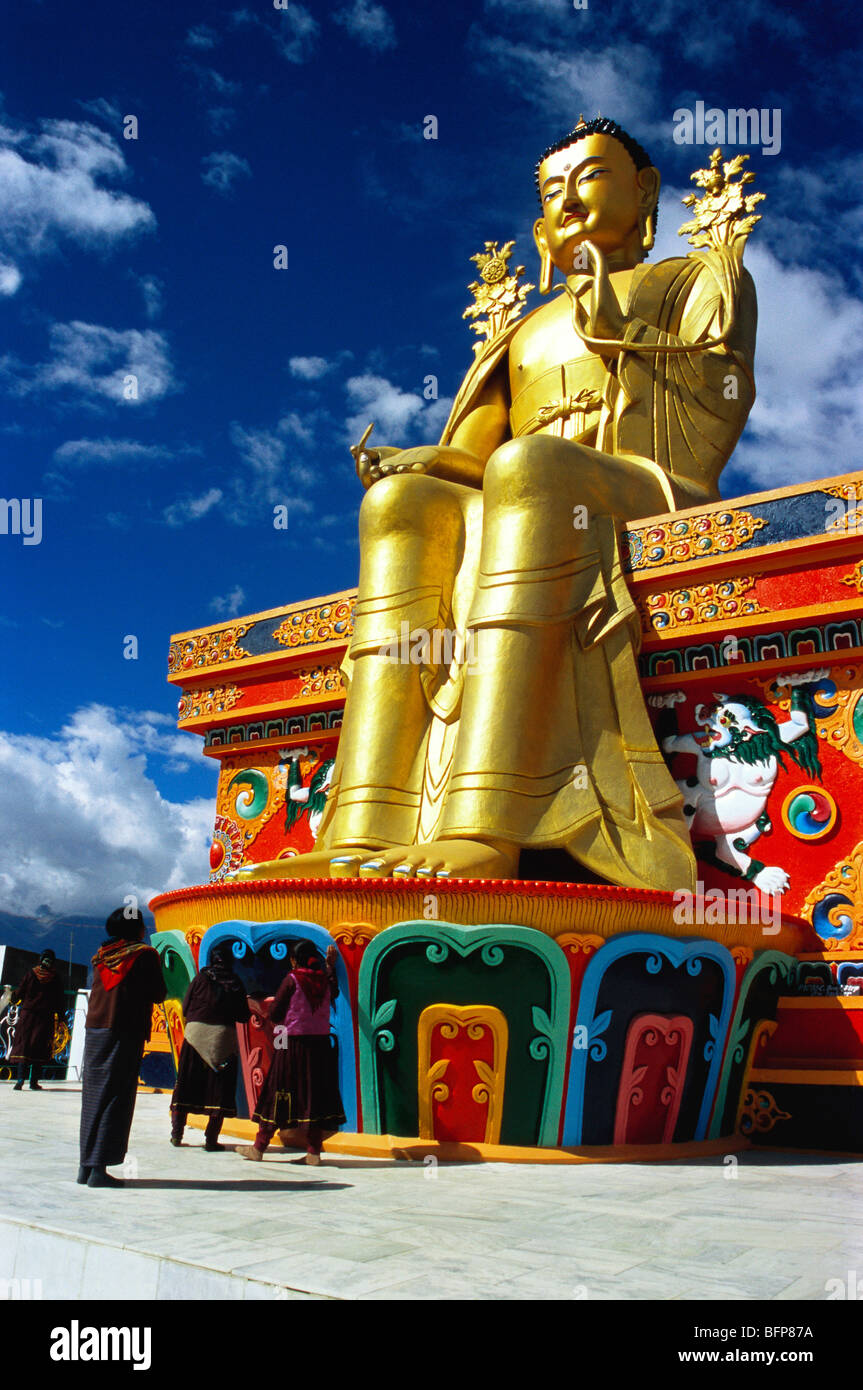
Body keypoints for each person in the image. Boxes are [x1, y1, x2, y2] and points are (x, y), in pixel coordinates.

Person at [237, 116, 758, 894]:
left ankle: (486, 822)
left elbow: (716, 398)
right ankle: (364, 821)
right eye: (551, 189)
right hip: (527, 489)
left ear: (644, 191)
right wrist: (414, 462)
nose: (568, 197)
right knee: (402, 505)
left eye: (590, 176)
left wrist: (615, 326)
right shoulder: (523, 332)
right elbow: (476, 461)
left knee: (533, 466)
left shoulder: (694, 280)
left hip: (646, 483)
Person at [78, 907, 167, 1188]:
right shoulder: (144, 955)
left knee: (93, 1095)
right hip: (125, 1029)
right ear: (136, 929)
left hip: (95, 1029)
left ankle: (86, 1165)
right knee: (116, 1096)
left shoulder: (101, 955)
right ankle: (99, 1171)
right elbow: (158, 993)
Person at [239, 942, 345, 1165]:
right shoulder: (324, 981)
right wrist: (330, 967)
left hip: (291, 1043)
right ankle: (314, 1152)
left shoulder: (292, 979)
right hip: (320, 1046)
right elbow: (334, 992)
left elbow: (276, 1013)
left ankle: (259, 1147)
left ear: (295, 960)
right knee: (313, 1095)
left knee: (277, 1091)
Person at [170, 942, 250, 1150]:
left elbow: (186, 1008)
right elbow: (243, 1016)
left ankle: (177, 1135)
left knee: (186, 1083)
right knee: (220, 1088)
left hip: (195, 1037)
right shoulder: (235, 982)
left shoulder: (201, 978)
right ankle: (211, 1140)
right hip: (223, 1039)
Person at [9, 949, 65, 1090]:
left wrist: (12, 996)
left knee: (24, 1046)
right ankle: (33, 1082)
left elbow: (20, 992)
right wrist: (61, 1017)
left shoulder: (31, 974)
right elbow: (59, 1000)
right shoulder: (55, 978)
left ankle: (20, 1080)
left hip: (28, 1016)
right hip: (45, 1018)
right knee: (39, 1047)